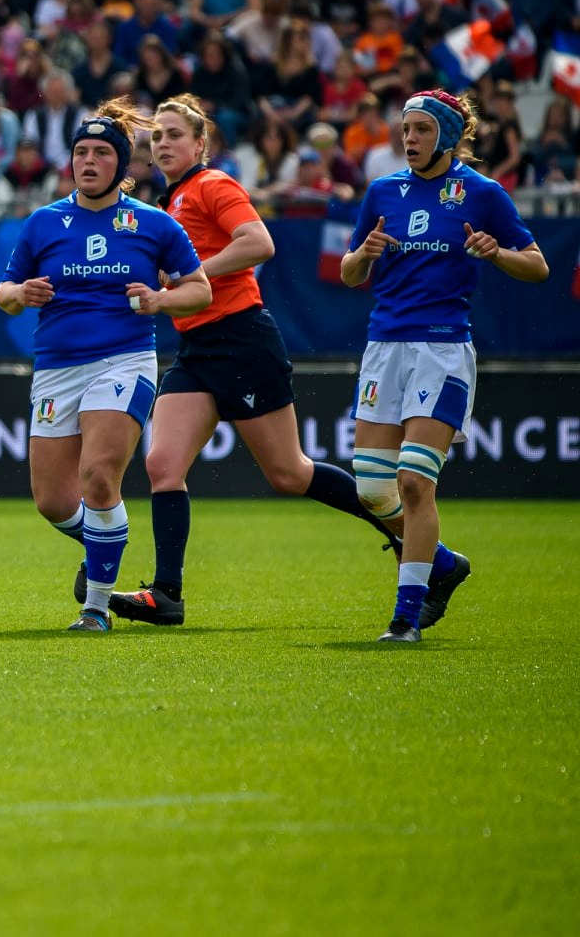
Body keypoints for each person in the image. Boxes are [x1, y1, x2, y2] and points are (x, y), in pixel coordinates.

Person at [121, 97, 403, 627]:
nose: (162, 144)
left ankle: (413, 538)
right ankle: (167, 594)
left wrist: (190, 273)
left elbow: (259, 242)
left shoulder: (213, 186)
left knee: (289, 474)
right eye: (156, 137)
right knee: (162, 464)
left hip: (242, 339)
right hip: (198, 348)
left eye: (174, 135)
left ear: (201, 145)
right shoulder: (170, 201)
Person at [0, 101, 212, 633]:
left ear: (122, 165)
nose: (88, 161)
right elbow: (2, 294)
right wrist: (21, 293)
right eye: (80, 152)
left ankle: (94, 609)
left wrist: (161, 301)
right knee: (51, 500)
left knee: (98, 476)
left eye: (100, 153)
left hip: (124, 360)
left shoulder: (154, 225)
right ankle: (106, 539)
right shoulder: (44, 222)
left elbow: (200, 290)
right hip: (54, 368)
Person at [339, 91, 548, 643]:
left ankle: (405, 618)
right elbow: (348, 273)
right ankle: (444, 563)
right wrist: (363, 255)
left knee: (412, 483)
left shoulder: (482, 194)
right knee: (372, 492)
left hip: (443, 351)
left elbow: (538, 266)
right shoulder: (383, 191)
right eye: (405, 129)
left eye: (422, 130)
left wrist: (495, 253)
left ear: (449, 136)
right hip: (384, 348)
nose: (409, 139)